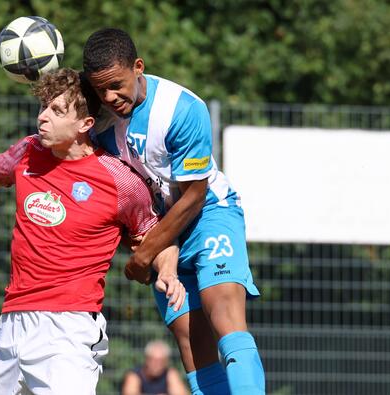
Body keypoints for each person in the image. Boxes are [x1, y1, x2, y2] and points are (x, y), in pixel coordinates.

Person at [0, 67, 185, 395]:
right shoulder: (30, 152)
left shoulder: (119, 180)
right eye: (43, 106)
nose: (43, 116)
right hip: (12, 324)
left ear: (85, 125)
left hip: (68, 330)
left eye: (57, 110)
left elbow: (155, 235)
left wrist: (169, 271)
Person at [83, 28, 265, 395]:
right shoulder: (97, 122)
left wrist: (146, 253)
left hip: (209, 213)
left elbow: (194, 196)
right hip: (159, 230)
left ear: (138, 67)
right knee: (190, 340)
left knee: (224, 313)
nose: (109, 96)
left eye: (116, 85)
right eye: (99, 89)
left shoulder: (181, 109)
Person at [121, 340, 189, 395]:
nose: (157, 365)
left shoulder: (170, 374)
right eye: (154, 360)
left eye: (161, 361)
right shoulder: (134, 375)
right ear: (147, 359)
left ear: (166, 362)